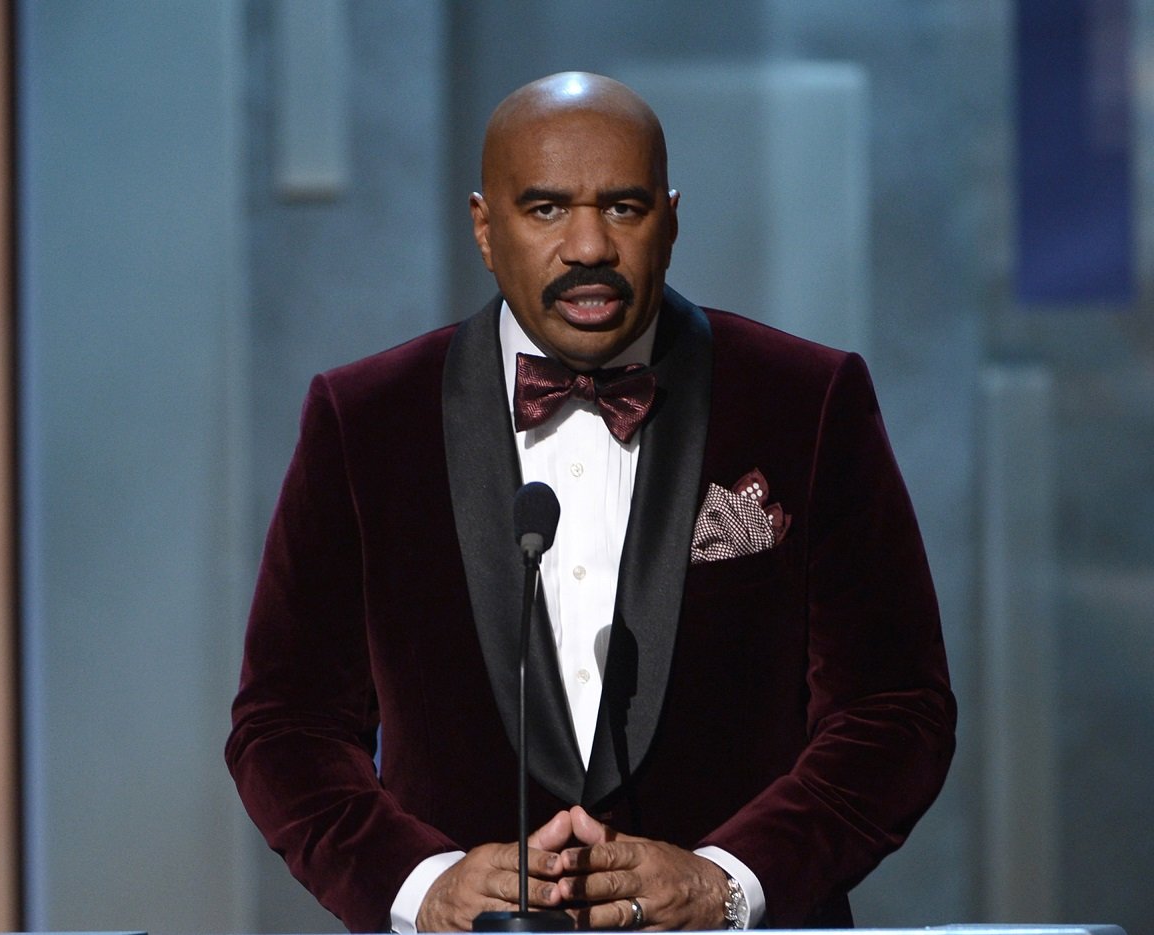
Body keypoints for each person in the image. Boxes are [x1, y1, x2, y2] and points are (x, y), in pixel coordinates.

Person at [225, 71, 956, 932]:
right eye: (544, 209)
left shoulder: (807, 401)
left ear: (672, 220)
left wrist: (729, 884)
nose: (587, 247)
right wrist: (424, 885)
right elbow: (284, 725)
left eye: (623, 207)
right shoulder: (365, 421)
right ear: (484, 227)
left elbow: (896, 710)